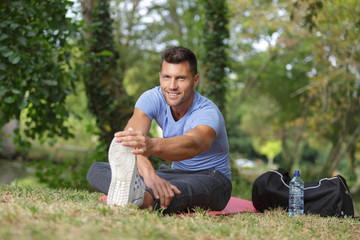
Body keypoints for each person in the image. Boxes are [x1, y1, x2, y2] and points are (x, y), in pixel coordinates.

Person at [87, 46, 232, 214]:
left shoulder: (207, 112)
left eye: (181, 78)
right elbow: (129, 142)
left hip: (211, 179)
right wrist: (149, 175)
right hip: (174, 173)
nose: (172, 86)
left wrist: (152, 146)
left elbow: (194, 144)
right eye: (166, 77)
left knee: (172, 191)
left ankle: (142, 199)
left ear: (195, 80)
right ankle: (138, 193)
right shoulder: (152, 98)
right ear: (160, 77)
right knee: (97, 169)